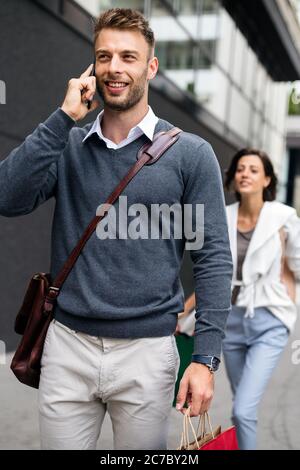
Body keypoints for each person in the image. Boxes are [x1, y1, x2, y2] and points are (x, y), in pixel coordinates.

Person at [0, 8, 232, 450]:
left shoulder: (191, 155)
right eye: (104, 56)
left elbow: (214, 257)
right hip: (67, 347)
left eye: (128, 57)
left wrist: (205, 358)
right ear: (91, 68)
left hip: (147, 353)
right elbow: (7, 196)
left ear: (151, 67)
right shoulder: (67, 143)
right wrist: (63, 117)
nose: (115, 68)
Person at [223, 148, 300, 450]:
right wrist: (186, 313)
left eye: (254, 170)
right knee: (242, 408)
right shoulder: (223, 215)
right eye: (240, 168)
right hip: (231, 321)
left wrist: (288, 292)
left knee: (242, 410)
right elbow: (213, 270)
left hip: (269, 319)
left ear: (267, 179)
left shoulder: (283, 217)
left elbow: (298, 263)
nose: (245, 174)